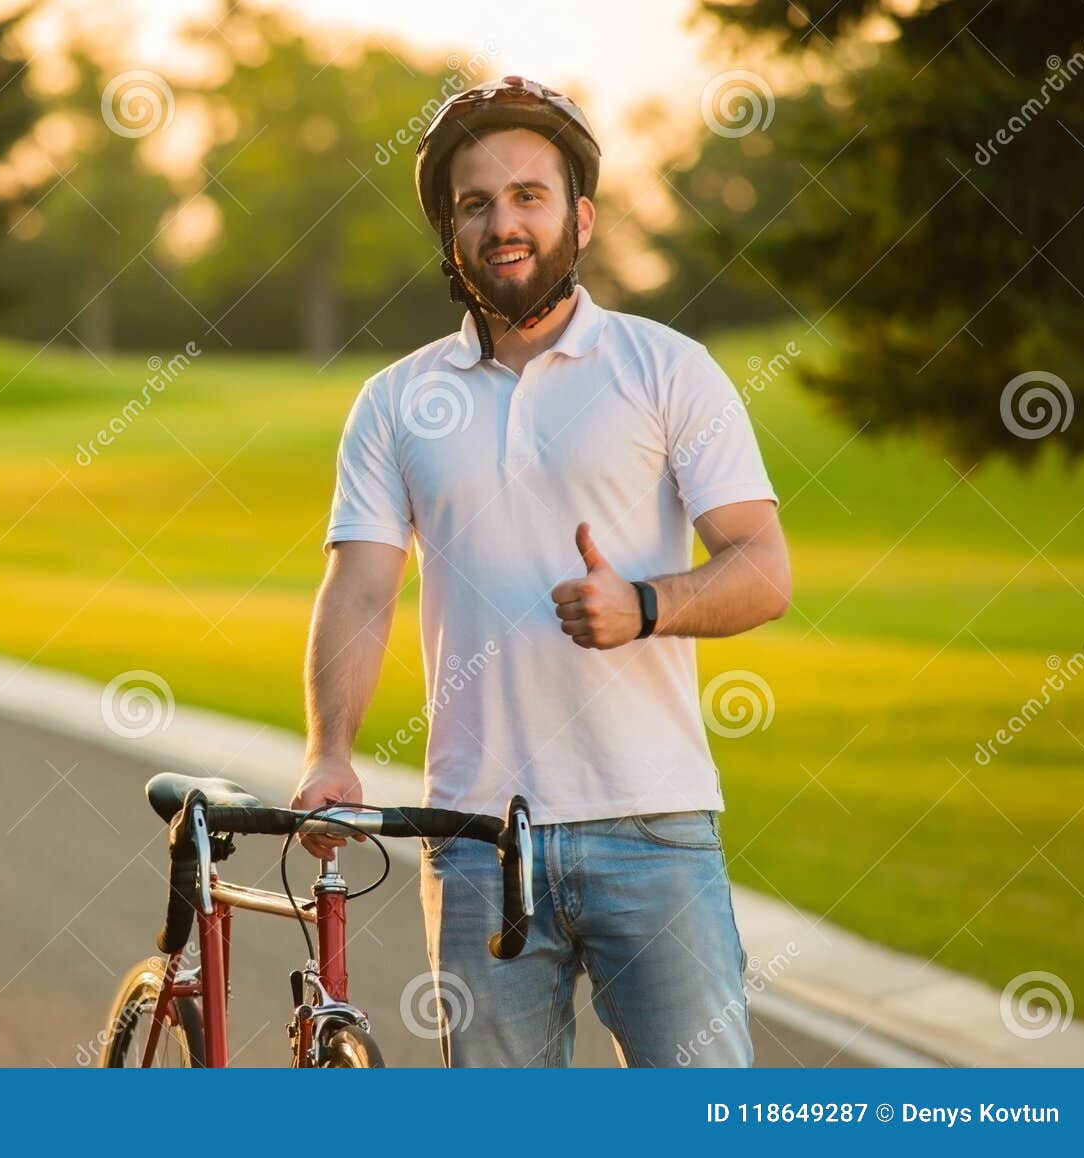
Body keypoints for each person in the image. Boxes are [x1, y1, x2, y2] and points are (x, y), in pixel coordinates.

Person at [292, 77, 792, 1067]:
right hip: (477, 840)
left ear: (581, 216)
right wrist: (328, 752)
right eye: (474, 204)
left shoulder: (665, 368)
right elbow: (359, 588)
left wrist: (644, 605)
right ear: (449, 232)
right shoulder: (396, 403)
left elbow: (762, 570)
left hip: (649, 826)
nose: (501, 223)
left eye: (527, 196)